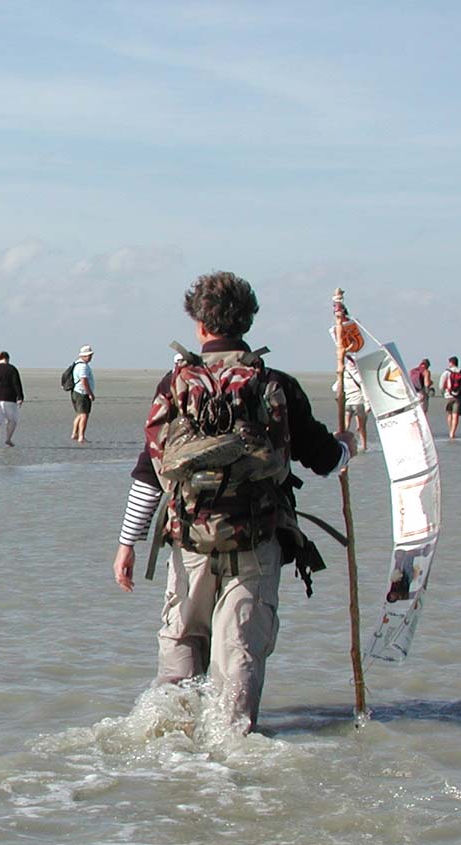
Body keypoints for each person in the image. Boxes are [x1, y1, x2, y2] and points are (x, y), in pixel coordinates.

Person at [113, 271, 356, 733]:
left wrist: (128, 543)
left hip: (189, 541)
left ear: (200, 325)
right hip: (256, 542)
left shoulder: (174, 383)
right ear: (247, 322)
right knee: (239, 651)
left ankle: (173, 743)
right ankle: (232, 746)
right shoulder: (275, 384)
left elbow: (150, 472)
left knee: (182, 643)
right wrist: (347, 446)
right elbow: (324, 460)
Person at [333, 354, 370, 450]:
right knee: (362, 426)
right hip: (358, 402)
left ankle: (341, 443)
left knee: (345, 425)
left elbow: (334, 388)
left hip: (347, 403)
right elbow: (365, 390)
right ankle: (364, 446)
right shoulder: (359, 376)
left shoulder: (343, 375)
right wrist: (367, 404)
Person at [439, 355, 461, 439]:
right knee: (456, 415)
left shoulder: (446, 373)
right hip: (459, 397)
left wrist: (443, 393)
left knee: (449, 414)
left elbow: (441, 385)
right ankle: (452, 433)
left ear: (451, 363)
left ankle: (450, 430)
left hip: (448, 396)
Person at [71, 346, 95, 443]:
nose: (90, 357)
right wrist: (90, 393)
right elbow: (84, 381)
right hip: (82, 393)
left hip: (77, 392)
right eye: (88, 355)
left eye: (90, 355)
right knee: (84, 415)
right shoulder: (83, 367)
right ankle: (81, 436)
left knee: (80, 414)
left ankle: (75, 434)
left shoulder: (78, 364)